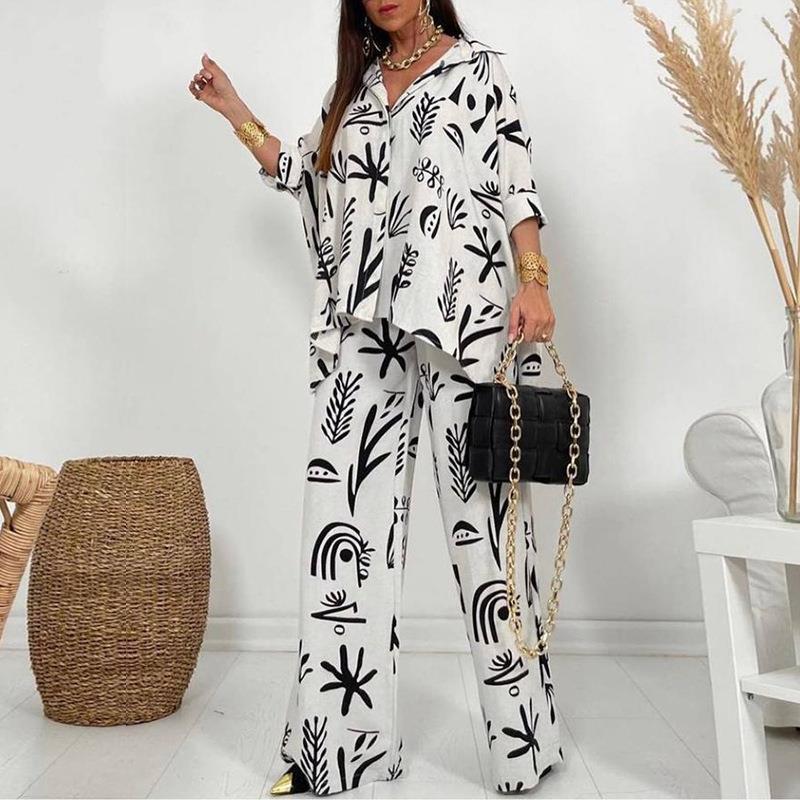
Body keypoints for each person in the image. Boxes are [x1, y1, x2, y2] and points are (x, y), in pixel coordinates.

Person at [188, 0, 561, 794]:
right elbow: (308, 177)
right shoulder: (351, 91)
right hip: (364, 327)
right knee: (342, 526)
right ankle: (334, 752)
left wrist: (533, 280)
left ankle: (524, 745)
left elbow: (516, 182)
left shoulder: (478, 68)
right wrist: (234, 111)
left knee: (488, 537)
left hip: (464, 322)